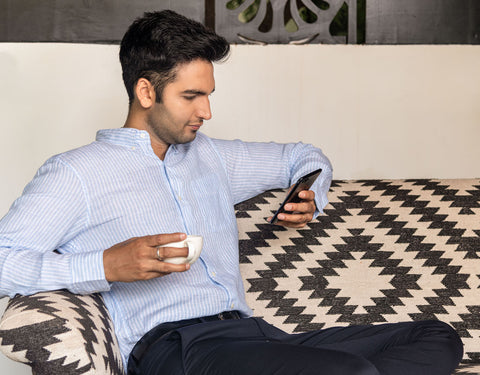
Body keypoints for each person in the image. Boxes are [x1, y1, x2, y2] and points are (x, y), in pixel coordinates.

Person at [0, 10, 463, 375]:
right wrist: (104, 265)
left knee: (436, 338)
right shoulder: (76, 173)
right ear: (146, 91)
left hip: (254, 337)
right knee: (347, 371)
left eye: (209, 94)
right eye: (191, 96)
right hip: (174, 349)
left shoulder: (213, 157)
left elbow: (302, 155)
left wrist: (311, 190)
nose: (207, 110)